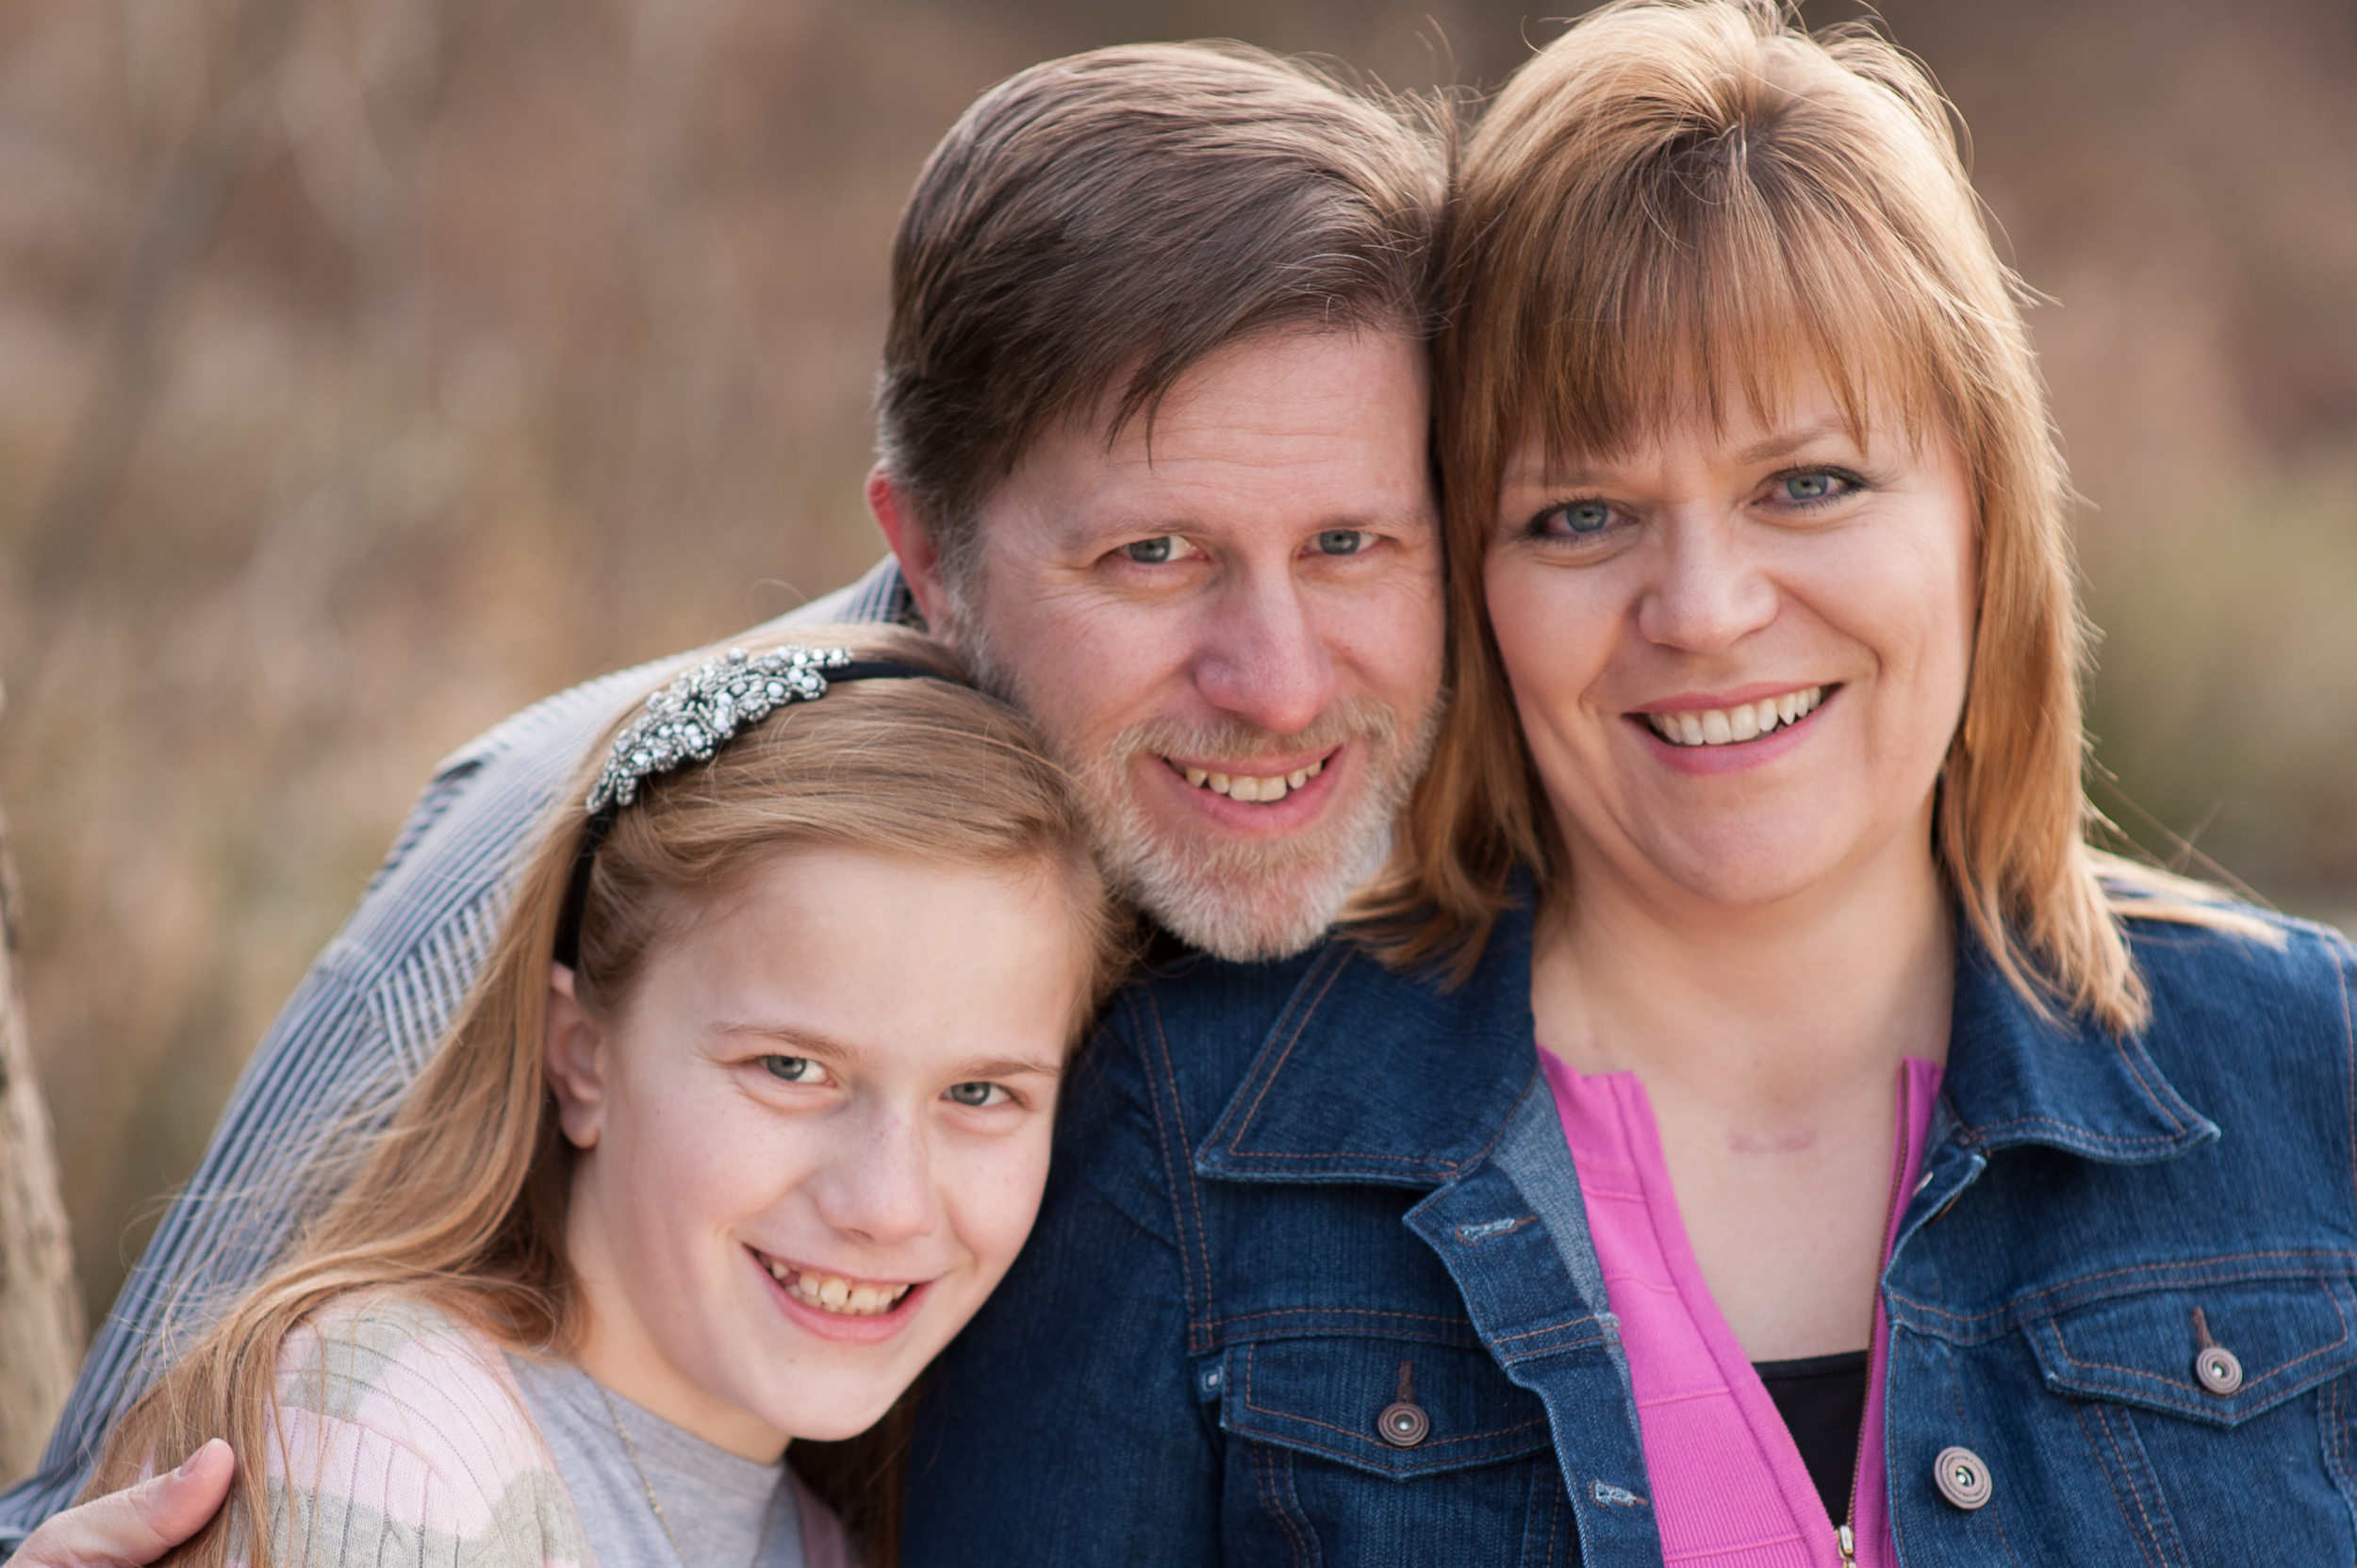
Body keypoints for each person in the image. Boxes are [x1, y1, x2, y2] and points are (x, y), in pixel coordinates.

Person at [905, 2, 2357, 1561]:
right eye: (1582, 515)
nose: (1706, 608)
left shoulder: (2312, 1075)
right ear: (1468, 577)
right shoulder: (1190, 1149)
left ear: (1984, 513)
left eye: (1809, 483)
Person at [2, 40, 1448, 1561]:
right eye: (1155, 554)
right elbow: (123, 1495)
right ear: (937, 558)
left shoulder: (1473, 838)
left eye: (1352, 542)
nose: (1280, 683)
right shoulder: (573, 849)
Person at [80, 624, 1129, 1568]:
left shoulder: (825, 1540)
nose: (888, 1202)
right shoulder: (392, 1430)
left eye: (980, 1091)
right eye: (792, 1069)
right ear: (583, 1055)